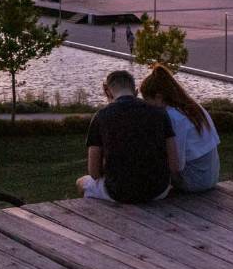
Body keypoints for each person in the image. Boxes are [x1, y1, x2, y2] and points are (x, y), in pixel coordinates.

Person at [76, 70, 175, 203]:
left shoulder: (101, 117)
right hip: (158, 190)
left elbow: (94, 172)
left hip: (118, 192)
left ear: (107, 92)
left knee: (82, 182)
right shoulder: (160, 113)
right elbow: (174, 163)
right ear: (135, 91)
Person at [140, 64, 220, 193]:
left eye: (147, 100)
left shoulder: (174, 118)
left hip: (194, 181)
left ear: (159, 97)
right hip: (211, 176)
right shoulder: (192, 107)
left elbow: (176, 165)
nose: (147, 106)